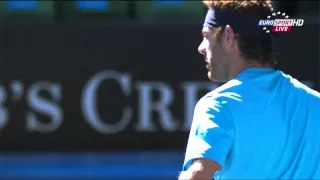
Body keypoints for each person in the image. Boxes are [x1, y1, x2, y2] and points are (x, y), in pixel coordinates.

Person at [178, 0, 320, 180]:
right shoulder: (316, 104)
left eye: (207, 36)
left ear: (228, 36)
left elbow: (198, 175)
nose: (201, 47)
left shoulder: (217, 106)